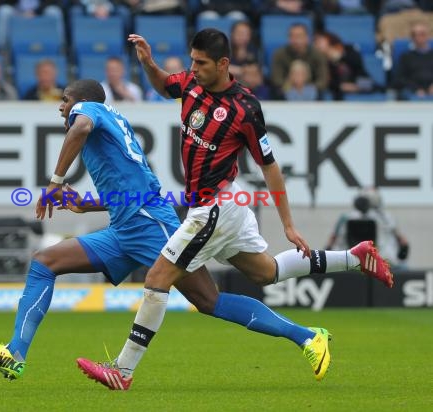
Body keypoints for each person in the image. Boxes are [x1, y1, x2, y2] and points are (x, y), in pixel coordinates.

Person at [76, 28, 393, 391]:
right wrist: (149, 63)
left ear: (224, 64)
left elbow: (270, 166)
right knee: (265, 272)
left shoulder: (244, 108)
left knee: (157, 278)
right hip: (223, 204)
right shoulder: (191, 85)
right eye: (192, 61)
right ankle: (354, 259)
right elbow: (166, 84)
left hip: (215, 207)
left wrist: (287, 225)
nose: (193, 69)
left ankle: (123, 369)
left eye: (201, 63)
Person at [0, 78, 270, 379]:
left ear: (83, 101)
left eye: (66, 99)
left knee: (208, 300)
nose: (61, 106)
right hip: (124, 230)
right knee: (44, 262)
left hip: (151, 225)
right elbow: (131, 189)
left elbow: (81, 127)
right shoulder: (114, 121)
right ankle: (15, 353)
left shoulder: (89, 111)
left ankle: (306, 337)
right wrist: (86, 205)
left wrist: (54, 183)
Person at [326, 186, 410, 271]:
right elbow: (403, 242)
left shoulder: (345, 217)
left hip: (348, 262)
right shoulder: (386, 217)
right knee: (404, 268)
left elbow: (332, 240)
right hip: (384, 262)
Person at [270, 23, 328, 99]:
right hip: (285, 91)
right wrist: (291, 85)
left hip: (313, 93)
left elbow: (323, 80)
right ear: (289, 38)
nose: (296, 40)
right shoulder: (279, 54)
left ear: (307, 38)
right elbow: (276, 79)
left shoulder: (318, 55)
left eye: (300, 36)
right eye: (293, 36)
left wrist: (306, 88)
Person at [314, 31, 374, 100]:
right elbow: (326, 81)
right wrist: (341, 86)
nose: (316, 45)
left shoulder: (349, 49)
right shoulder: (321, 60)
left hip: (359, 81)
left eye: (319, 41)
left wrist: (341, 57)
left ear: (329, 40)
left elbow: (358, 65)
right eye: (315, 42)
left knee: (371, 85)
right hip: (338, 89)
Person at [393, 21, 433, 99]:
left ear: (427, 36)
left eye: (422, 34)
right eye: (415, 35)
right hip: (412, 93)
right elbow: (399, 79)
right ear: (412, 37)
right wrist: (415, 89)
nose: (418, 37)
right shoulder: (406, 57)